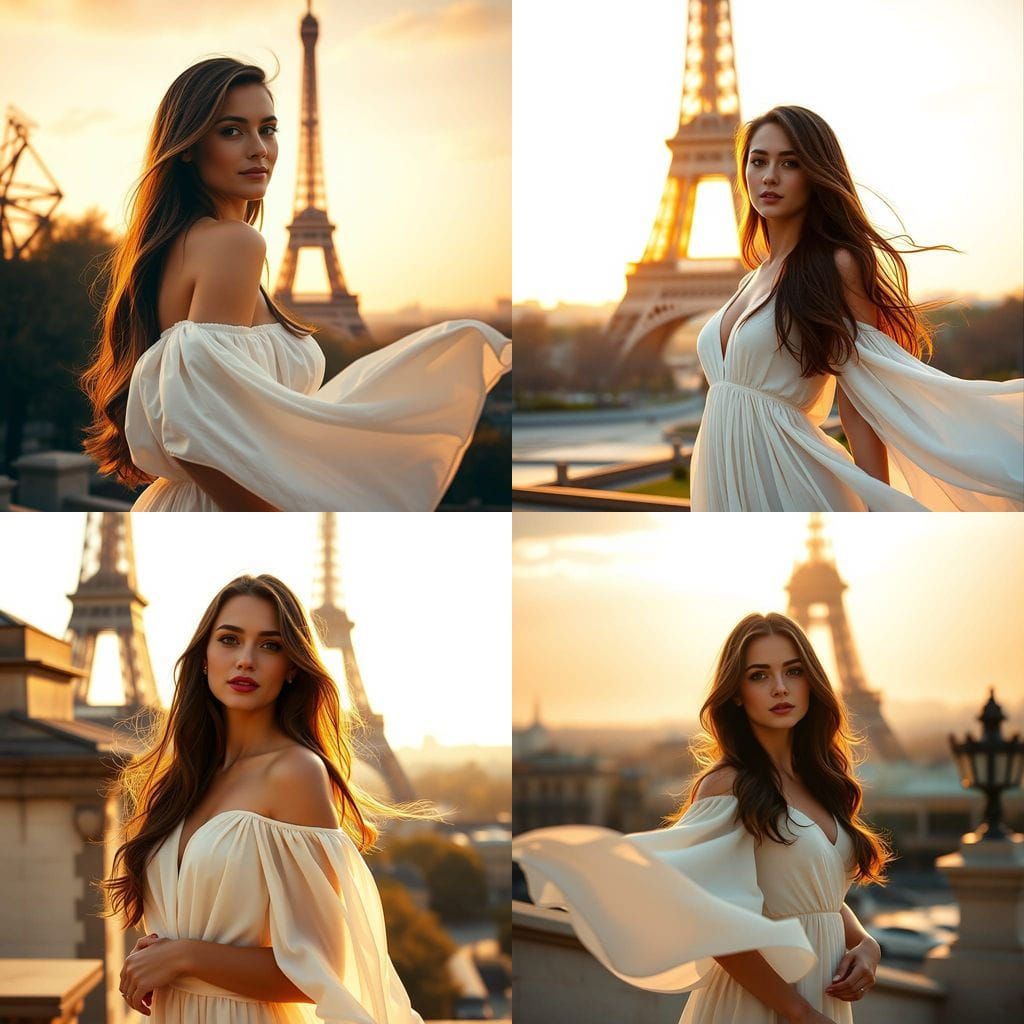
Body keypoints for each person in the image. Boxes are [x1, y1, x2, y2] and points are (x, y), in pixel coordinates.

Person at [80, 57, 510, 511]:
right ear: (187, 146)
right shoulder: (233, 244)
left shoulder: (176, 246)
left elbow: (203, 416)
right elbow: (197, 427)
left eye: (267, 129)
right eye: (231, 131)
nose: (259, 148)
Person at [513, 612, 892, 1024]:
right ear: (736, 694)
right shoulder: (729, 785)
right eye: (759, 676)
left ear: (811, 681)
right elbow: (714, 918)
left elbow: (817, 897)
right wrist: (798, 1011)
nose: (780, 687)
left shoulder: (821, 782)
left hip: (821, 1002)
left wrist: (867, 943)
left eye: (793, 671)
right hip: (761, 1007)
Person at [98, 573, 431, 1022]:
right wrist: (158, 952)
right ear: (203, 657)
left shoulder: (294, 774)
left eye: (270, 646)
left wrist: (182, 957)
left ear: (292, 666)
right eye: (230, 640)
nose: (246, 661)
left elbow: (319, 970)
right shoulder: (182, 779)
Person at [689, 105, 1022, 512]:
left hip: (793, 482)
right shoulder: (751, 279)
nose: (769, 176)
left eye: (789, 163)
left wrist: (876, 507)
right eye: (758, 161)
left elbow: (861, 400)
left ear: (815, 174)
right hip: (722, 481)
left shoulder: (837, 265)